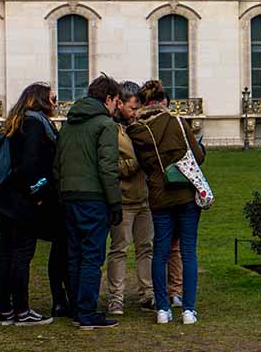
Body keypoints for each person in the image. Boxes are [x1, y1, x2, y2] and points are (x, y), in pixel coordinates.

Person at [127, 80, 206, 325]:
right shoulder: (178, 123)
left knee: (159, 252)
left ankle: (162, 309)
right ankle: (188, 310)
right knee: (187, 252)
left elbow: (142, 165)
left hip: (159, 197)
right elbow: (198, 156)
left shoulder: (137, 131)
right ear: (162, 101)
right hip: (184, 194)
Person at [55, 74, 123, 330]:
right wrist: (115, 203)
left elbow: (58, 165)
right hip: (93, 198)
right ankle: (86, 311)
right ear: (108, 99)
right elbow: (108, 168)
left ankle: (77, 308)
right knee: (92, 257)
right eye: (117, 100)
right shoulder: (105, 125)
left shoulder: (69, 124)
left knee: (75, 255)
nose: (118, 105)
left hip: (70, 196)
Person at [0, 82, 59, 327]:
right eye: (52, 98)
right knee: (20, 254)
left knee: (6, 254)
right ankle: (21, 310)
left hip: (5, 199)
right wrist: (38, 192)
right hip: (22, 202)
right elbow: (29, 165)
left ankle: (6, 310)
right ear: (40, 100)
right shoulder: (34, 124)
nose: (55, 103)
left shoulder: (17, 122)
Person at [106, 81, 155, 315]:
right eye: (132, 108)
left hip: (145, 198)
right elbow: (110, 165)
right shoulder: (112, 130)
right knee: (119, 250)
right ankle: (116, 297)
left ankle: (147, 293)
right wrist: (137, 163)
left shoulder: (142, 127)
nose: (135, 113)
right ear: (120, 104)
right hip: (124, 200)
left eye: (138, 109)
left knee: (146, 248)